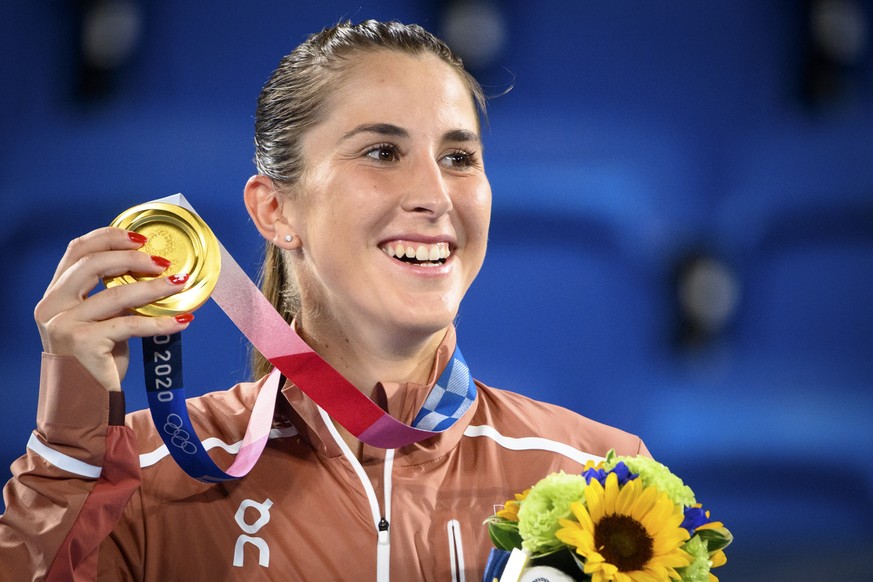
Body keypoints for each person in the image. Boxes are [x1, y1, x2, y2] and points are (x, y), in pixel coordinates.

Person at [0, 20, 648, 581]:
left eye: (458, 156)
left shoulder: (601, 481)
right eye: (381, 152)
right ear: (276, 209)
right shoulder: (146, 476)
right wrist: (69, 452)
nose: (434, 194)